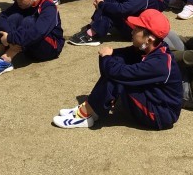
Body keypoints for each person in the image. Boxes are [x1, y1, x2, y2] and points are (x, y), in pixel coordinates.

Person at [53, 9, 182, 130]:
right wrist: (109, 55)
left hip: (161, 114)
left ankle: (86, 114)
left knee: (118, 77)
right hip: (152, 98)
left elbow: (118, 73)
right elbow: (118, 56)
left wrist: (106, 58)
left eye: (137, 29)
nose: (132, 31)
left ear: (149, 39)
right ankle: (91, 109)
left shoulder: (159, 62)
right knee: (116, 63)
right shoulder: (150, 48)